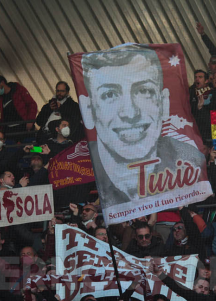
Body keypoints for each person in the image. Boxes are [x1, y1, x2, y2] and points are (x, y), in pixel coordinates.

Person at [79, 45, 208, 209]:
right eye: (110, 94)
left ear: (164, 104)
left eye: (144, 91)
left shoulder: (191, 160)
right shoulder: (80, 167)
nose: (130, 113)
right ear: (89, 110)